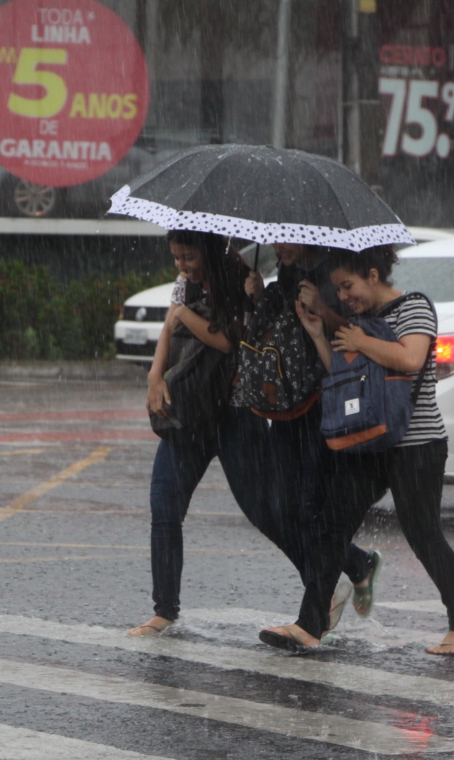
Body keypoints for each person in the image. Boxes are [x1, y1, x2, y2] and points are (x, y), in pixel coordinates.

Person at [259, 246, 454, 656]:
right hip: (370, 441)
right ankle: (309, 625)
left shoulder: (414, 307)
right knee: (332, 523)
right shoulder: (357, 321)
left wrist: (360, 337)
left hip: (416, 443)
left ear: (374, 276)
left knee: (423, 533)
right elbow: (341, 373)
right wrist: (316, 330)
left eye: (349, 286)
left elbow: (411, 359)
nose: (344, 295)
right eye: (339, 289)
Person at [130, 230, 295, 637]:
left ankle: (347, 566)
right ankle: (164, 610)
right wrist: (155, 376)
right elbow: (167, 331)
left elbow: (228, 340)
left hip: (235, 410)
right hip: (191, 409)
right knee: (164, 502)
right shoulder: (186, 283)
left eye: (188, 257)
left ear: (207, 250)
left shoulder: (238, 276)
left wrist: (184, 315)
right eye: (175, 258)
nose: (181, 266)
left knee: (265, 512)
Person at [244, 243, 383, 628]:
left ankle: (316, 610)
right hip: (287, 403)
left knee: (310, 509)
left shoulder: (330, 273)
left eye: (286, 240)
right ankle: (356, 564)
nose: (278, 246)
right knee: (279, 505)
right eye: (275, 239)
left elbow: (357, 334)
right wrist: (260, 296)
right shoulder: (287, 273)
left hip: (320, 405)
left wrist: (323, 308)